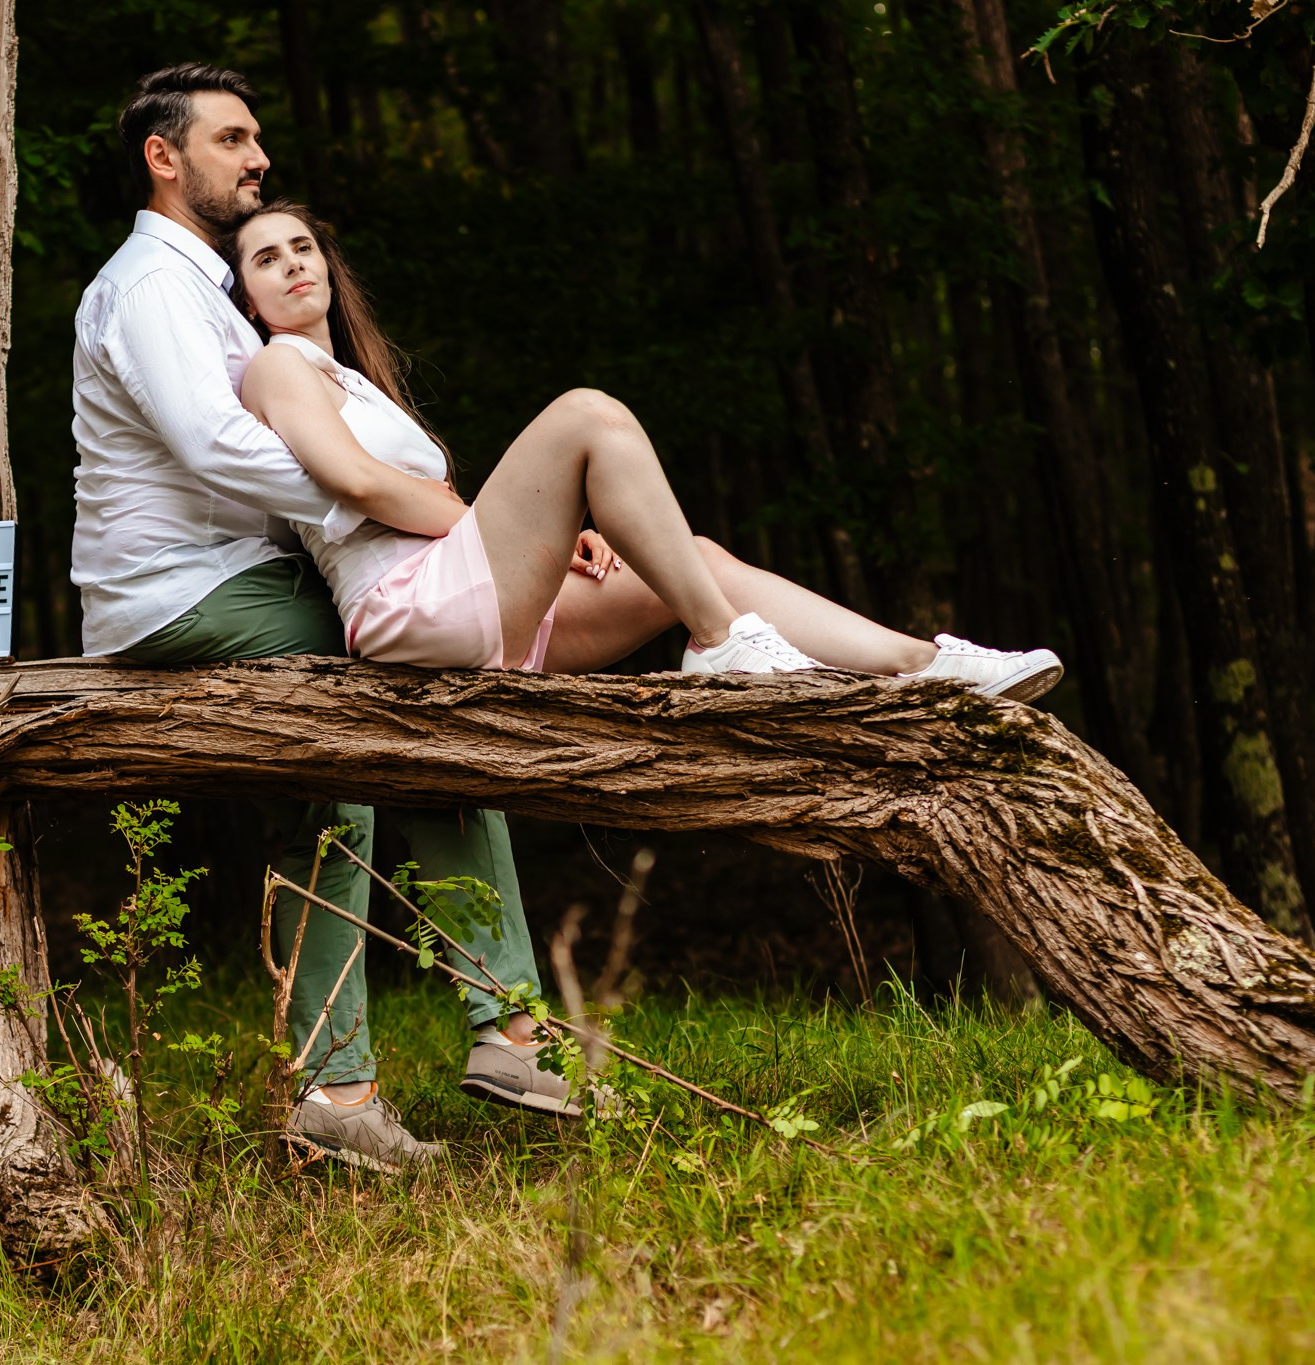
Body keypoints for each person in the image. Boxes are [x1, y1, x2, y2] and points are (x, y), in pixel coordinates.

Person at [70, 65, 577, 1177]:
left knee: (400, 719)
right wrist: (410, 513)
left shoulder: (207, 287)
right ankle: (447, 1048)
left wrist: (468, 533)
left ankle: (445, 1052)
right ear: (164, 157)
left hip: (232, 578)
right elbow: (219, 450)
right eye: (233, 139)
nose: (258, 160)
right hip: (177, 594)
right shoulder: (151, 287)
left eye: (257, 140)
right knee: (406, 698)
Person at [223, 200, 1065, 696]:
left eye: (303, 247)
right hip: (412, 608)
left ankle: (927, 667)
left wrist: (536, 535)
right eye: (267, 257)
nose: (294, 264)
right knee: (588, 412)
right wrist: (515, 530)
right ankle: (721, 644)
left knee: (694, 560)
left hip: (472, 600)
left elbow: (415, 496)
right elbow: (357, 483)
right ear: (250, 296)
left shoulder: (352, 378)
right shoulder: (275, 363)